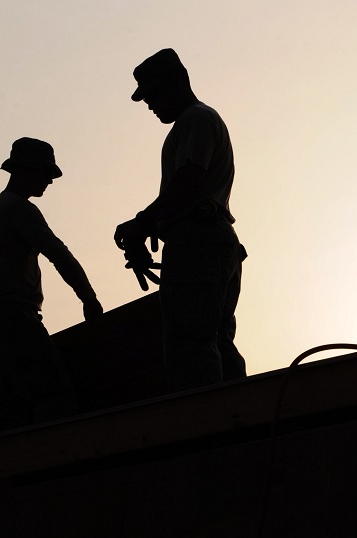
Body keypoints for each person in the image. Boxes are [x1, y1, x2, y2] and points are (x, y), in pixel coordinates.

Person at [114, 48, 247, 392]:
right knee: (215, 341)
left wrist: (143, 223)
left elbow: (189, 180)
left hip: (200, 243)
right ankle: (239, 420)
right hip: (207, 241)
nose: (150, 104)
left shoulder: (196, 119)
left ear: (178, 82)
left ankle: (208, 429)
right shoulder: (191, 125)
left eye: (153, 94)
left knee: (192, 346)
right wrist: (151, 229)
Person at [0, 137, 103, 429]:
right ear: (25, 170)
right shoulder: (18, 208)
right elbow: (58, 254)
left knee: (15, 412)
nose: (49, 180)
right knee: (55, 399)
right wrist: (88, 297)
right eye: (45, 173)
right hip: (14, 321)